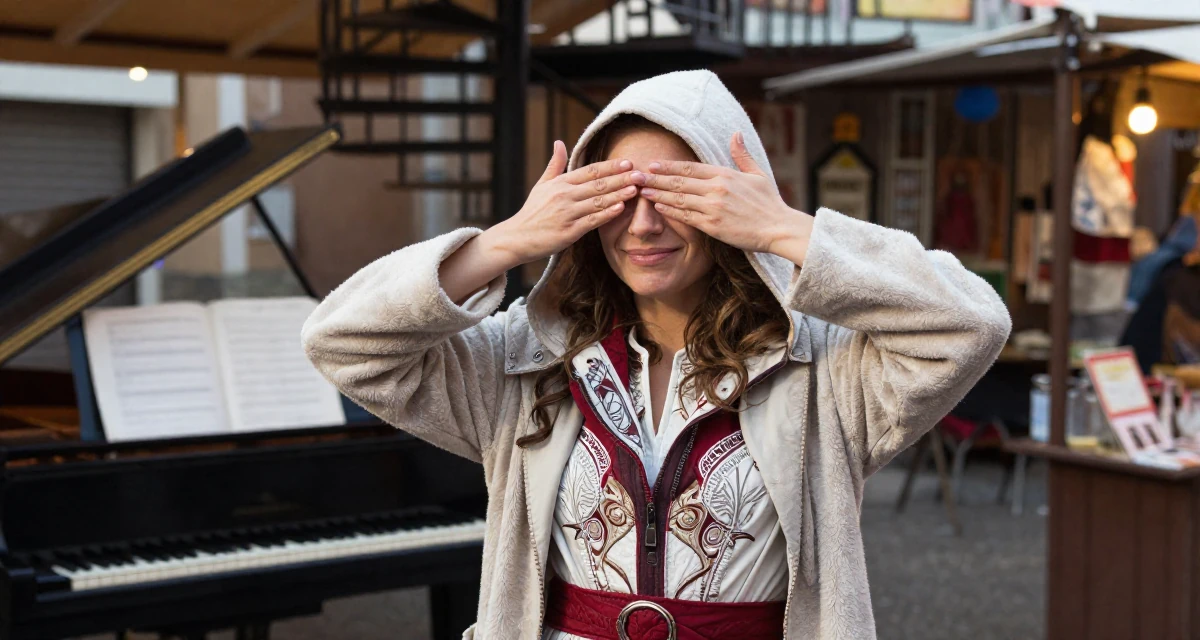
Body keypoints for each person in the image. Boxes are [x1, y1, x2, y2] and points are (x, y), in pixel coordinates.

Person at [302, 70, 1010, 640]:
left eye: (677, 192)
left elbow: (971, 323)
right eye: (617, 194)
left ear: (730, 196)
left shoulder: (822, 368)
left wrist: (785, 230)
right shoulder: (525, 361)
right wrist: (504, 243)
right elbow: (341, 340)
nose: (642, 224)